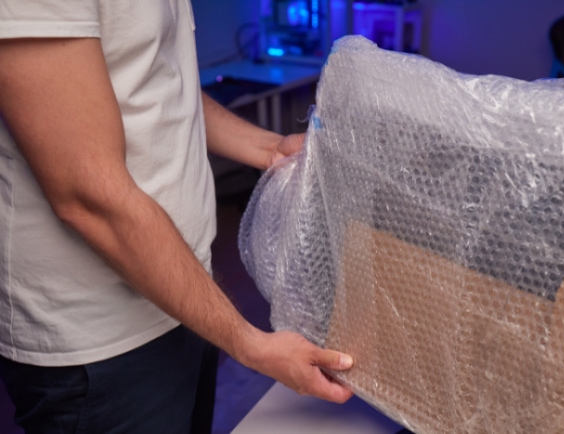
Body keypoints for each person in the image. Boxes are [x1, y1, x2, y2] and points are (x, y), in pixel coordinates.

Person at [0, 1, 353, 432]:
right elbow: (87, 193)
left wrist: (268, 149)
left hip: (185, 295)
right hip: (101, 343)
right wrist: (251, 344)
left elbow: (156, 78)